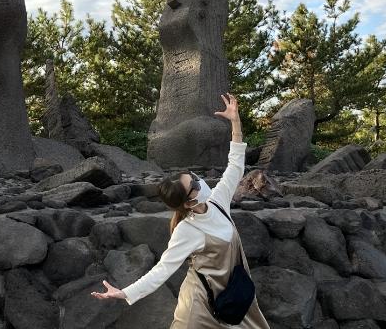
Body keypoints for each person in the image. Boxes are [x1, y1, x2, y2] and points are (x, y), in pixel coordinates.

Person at [91, 93, 269, 328]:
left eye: (194, 178)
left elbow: (236, 164)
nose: (199, 182)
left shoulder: (217, 201)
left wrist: (235, 121)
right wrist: (124, 293)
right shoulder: (187, 230)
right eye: (194, 185)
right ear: (187, 203)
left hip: (235, 295)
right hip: (200, 308)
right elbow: (162, 270)